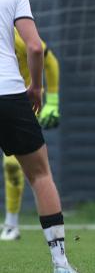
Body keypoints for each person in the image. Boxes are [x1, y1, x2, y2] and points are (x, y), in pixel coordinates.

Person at [0, 0, 82, 273]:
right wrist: (36, 87)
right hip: (10, 93)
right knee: (40, 175)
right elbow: (35, 47)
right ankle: (60, 264)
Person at [2, 29, 61, 241]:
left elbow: (48, 59)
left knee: (14, 166)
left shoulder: (17, 37)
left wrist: (52, 101)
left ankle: (11, 224)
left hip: (21, 104)